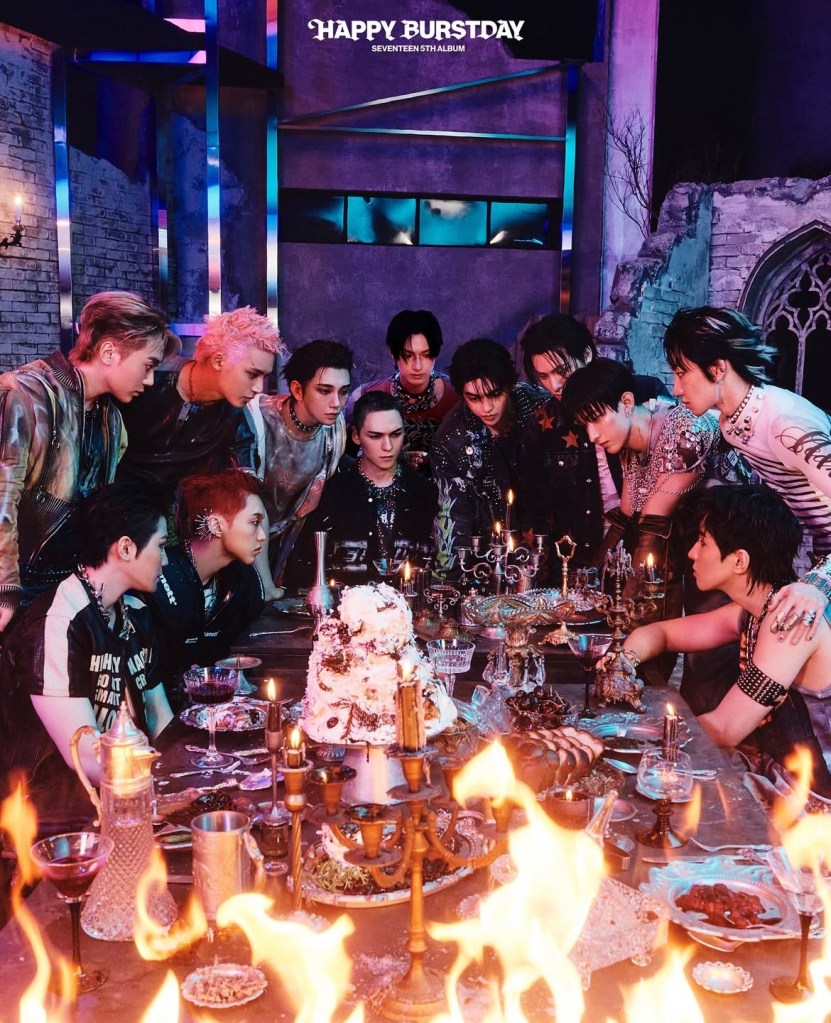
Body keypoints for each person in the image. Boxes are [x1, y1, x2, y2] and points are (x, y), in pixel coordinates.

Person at [610, 484, 831, 796]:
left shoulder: (787, 622)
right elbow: (659, 634)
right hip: (776, 773)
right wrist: (622, 663)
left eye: (702, 542)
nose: (692, 553)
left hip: (812, 801)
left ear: (739, 561)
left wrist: (624, 734)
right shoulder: (752, 611)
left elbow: (725, 729)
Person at [0, 484, 174, 832]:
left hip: (131, 791)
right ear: (126, 548)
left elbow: (158, 716)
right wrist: (163, 792)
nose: (166, 560)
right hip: (56, 811)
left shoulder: (136, 613)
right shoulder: (59, 622)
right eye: (161, 546)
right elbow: (85, 757)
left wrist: (188, 775)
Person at [0, 290, 176, 631]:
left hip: (67, 589)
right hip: (17, 589)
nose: (150, 380)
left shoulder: (112, 420)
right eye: (148, 365)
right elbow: (2, 496)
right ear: (109, 352)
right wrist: (5, 588)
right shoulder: (25, 394)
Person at [665, 306, 831, 628]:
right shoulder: (730, 421)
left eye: (682, 372)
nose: (676, 388)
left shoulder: (786, 427)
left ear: (718, 368)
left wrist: (820, 581)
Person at [562, 358, 721, 681]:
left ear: (626, 402)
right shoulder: (631, 443)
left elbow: (652, 526)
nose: (592, 435)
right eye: (584, 425)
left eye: (596, 419)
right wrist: (584, 588)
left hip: (735, 548)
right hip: (693, 543)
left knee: (709, 665)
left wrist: (626, 623)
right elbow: (624, 517)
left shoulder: (685, 430)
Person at [116, 306, 284, 497]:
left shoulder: (237, 419)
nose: (259, 388)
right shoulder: (148, 379)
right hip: (115, 500)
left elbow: (244, 481)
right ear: (219, 361)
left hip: (178, 508)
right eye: (252, 374)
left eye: (264, 377)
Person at [284, 392, 437, 587]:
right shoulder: (332, 493)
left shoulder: (424, 492)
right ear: (356, 436)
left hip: (410, 602)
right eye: (375, 436)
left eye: (395, 434)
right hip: (343, 602)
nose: (388, 446)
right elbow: (302, 568)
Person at [144, 469, 267, 711]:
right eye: (254, 523)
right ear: (216, 525)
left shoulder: (247, 584)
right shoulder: (158, 577)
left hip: (218, 711)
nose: (262, 536)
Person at [429, 338, 548, 573]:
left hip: (551, 549)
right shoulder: (450, 440)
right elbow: (453, 516)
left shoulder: (541, 409)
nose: (487, 407)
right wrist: (450, 579)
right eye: (474, 398)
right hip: (488, 563)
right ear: (462, 395)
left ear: (510, 385)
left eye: (495, 394)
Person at [250, 339, 352, 586]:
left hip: (287, 540)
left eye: (343, 392)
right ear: (297, 390)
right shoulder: (257, 418)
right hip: (241, 531)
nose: (336, 403)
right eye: (324, 391)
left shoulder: (335, 430)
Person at [346, 309, 457, 469]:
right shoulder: (364, 397)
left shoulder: (458, 395)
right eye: (409, 355)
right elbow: (347, 460)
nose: (418, 366)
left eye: (425, 355)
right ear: (392, 353)